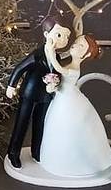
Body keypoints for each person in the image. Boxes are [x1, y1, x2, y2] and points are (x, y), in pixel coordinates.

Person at [37, 34, 111, 178]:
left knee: (70, 127)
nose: (75, 45)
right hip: (61, 99)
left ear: (87, 54)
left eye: (81, 46)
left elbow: (58, 67)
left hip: (68, 101)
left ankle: (76, 163)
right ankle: (55, 159)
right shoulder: (70, 64)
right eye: (76, 42)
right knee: (56, 127)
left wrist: (51, 51)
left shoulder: (74, 69)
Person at [5, 20, 71, 168]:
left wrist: (55, 83)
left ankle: (37, 151)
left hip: (45, 96)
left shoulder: (57, 58)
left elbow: (57, 73)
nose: (63, 39)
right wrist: (11, 85)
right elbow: (20, 68)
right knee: (21, 123)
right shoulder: (37, 55)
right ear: (47, 35)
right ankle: (13, 153)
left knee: (40, 124)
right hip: (29, 94)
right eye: (58, 35)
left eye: (64, 36)